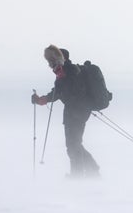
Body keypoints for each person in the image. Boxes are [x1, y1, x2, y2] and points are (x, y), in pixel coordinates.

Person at [32, 45, 100, 178]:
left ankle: (80, 175)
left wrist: (44, 99)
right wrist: (42, 100)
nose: (50, 64)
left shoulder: (70, 71)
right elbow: (58, 92)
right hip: (74, 112)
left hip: (77, 113)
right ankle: (89, 171)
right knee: (74, 145)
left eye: (51, 60)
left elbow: (67, 92)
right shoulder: (63, 72)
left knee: (73, 145)